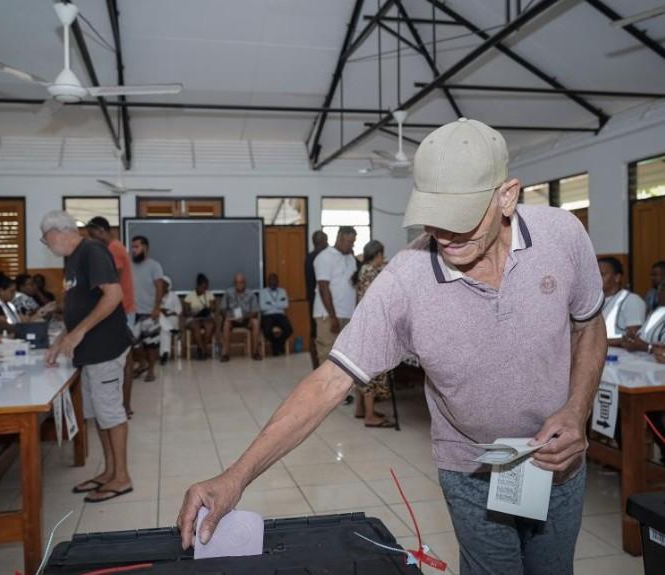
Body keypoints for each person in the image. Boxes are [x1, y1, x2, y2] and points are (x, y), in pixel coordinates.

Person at [178, 119, 607, 575]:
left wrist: (576, 410)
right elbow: (328, 383)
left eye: (460, 216)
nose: (443, 234)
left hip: (557, 463)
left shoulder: (563, 236)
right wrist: (235, 476)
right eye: (432, 214)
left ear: (507, 196)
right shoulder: (405, 280)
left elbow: (589, 327)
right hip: (471, 468)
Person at [40, 210, 134, 503]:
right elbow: (79, 304)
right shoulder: (73, 258)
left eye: (45, 238)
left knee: (111, 413)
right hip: (89, 352)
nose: (45, 244)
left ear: (58, 232)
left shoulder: (92, 250)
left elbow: (113, 295)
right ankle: (109, 472)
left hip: (105, 347)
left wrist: (78, 333)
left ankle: (121, 476)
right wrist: (61, 339)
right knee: (99, 416)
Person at [86, 216, 137, 413]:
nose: (92, 241)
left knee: (124, 359)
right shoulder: (115, 247)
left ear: (101, 231)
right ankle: (124, 404)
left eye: (92, 235)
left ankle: (125, 405)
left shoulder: (114, 249)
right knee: (125, 358)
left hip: (121, 310)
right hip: (123, 308)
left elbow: (108, 276)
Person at [351, 240, 394, 428]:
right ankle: (369, 415)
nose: (383, 259)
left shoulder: (364, 269)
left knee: (362, 369)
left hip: (364, 325)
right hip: (373, 327)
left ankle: (361, 409)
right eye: (382, 256)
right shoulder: (372, 272)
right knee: (372, 371)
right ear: (377, 255)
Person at [312, 226, 357, 364]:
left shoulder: (351, 258)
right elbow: (323, 288)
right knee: (327, 356)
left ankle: (340, 386)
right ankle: (324, 386)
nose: (352, 245)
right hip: (328, 316)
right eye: (349, 241)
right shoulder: (324, 257)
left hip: (347, 315)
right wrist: (333, 317)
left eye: (353, 242)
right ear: (339, 238)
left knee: (345, 357)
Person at [130, 235, 165, 382]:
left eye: (136, 246)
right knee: (134, 343)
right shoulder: (129, 265)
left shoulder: (154, 265)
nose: (133, 250)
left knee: (151, 344)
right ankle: (142, 363)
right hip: (132, 312)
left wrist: (156, 308)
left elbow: (160, 288)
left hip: (149, 312)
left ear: (145, 247)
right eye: (132, 247)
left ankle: (151, 370)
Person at [598, 256, 645, 346]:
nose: (596, 278)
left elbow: (633, 340)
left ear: (617, 277)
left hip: (622, 358)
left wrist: (595, 343)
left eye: (602, 274)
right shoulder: (595, 301)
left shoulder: (631, 300)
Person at [220, 273, 261, 362]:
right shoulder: (228, 293)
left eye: (241, 282)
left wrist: (245, 317)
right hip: (232, 319)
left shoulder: (251, 294)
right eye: (237, 282)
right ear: (234, 283)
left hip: (246, 319)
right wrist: (227, 316)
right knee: (226, 323)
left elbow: (255, 311)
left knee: (255, 322)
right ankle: (226, 354)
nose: (239, 285)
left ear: (245, 283)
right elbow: (222, 309)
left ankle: (256, 352)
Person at [304, 230, 328, 368]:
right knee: (316, 335)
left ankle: (316, 366)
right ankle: (317, 365)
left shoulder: (310, 256)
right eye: (326, 240)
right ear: (320, 241)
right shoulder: (318, 258)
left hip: (313, 300)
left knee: (314, 333)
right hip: (318, 301)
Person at [621, 284, 665, 351]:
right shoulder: (657, 313)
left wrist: (647, 347)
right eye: (660, 289)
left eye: (662, 289)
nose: (659, 293)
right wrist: (631, 340)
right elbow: (640, 339)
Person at [183, 273, 216, 360]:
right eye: (203, 287)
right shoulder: (189, 296)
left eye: (206, 287)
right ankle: (203, 350)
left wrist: (208, 307)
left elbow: (213, 308)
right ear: (198, 285)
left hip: (206, 318)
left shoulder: (209, 294)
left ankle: (201, 349)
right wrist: (194, 312)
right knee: (196, 326)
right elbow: (185, 312)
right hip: (193, 318)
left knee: (210, 325)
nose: (205, 289)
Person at [259, 273, 293, 356]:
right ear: (268, 282)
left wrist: (271, 303)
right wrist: (278, 304)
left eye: (274, 280)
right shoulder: (262, 292)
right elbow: (262, 307)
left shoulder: (282, 291)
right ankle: (278, 347)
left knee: (289, 329)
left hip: (280, 315)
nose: (273, 282)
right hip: (267, 315)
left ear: (278, 281)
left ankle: (276, 345)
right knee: (266, 331)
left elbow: (286, 305)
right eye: (271, 280)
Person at [158, 276, 182, 364]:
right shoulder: (156, 295)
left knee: (163, 330)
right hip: (160, 320)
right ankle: (172, 331)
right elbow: (153, 310)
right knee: (160, 316)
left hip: (172, 318)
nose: (162, 286)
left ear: (168, 285)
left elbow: (179, 311)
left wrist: (168, 313)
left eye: (164, 284)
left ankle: (164, 354)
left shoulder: (173, 296)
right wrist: (161, 310)